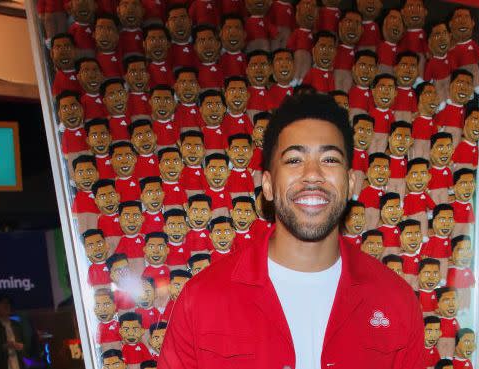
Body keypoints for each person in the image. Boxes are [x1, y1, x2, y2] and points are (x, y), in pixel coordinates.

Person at [159, 93, 424, 368]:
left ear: (351, 183)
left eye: (330, 159)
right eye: (294, 160)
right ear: (269, 185)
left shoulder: (396, 301)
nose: (312, 174)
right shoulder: (201, 301)